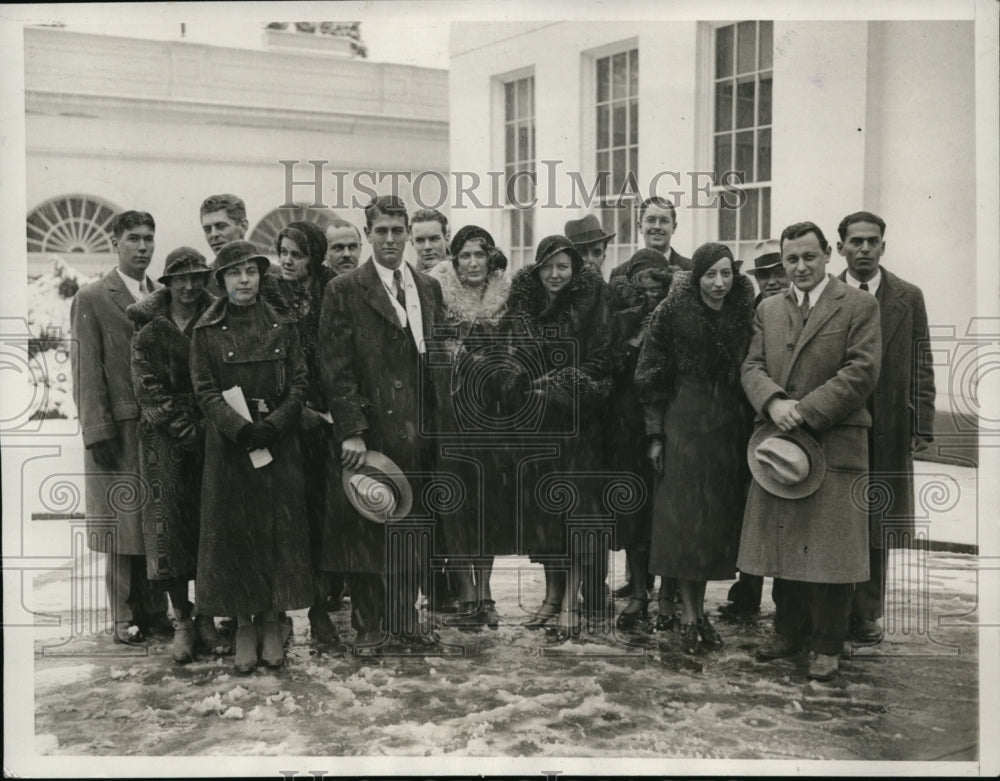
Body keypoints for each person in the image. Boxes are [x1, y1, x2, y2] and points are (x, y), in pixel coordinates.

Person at [739, 221, 881, 681]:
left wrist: (808, 410)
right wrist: (773, 401)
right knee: (784, 542)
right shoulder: (769, 308)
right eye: (791, 259)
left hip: (833, 440)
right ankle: (788, 631)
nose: (799, 267)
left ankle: (826, 644)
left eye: (808, 257)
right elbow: (752, 365)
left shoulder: (859, 305)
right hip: (780, 441)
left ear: (826, 256)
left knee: (830, 552)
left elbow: (862, 371)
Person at [318, 195, 446, 654]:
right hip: (373, 431)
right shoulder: (345, 290)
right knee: (369, 525)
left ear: (408, 233)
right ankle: (369, 623)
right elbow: (335, 368)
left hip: (420, 430)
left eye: (397, 230)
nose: (390, 239)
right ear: (368, 233)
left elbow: (437, 357)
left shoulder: (426, 287)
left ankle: (404, 617)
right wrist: (350, 428)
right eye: (381, 231)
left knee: (413, 525)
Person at [190, 240, 313, 674]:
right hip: (230, 450)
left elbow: (300, 381)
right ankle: (244, 624)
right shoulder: (206, 330)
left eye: (252, 272)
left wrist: (275, 424)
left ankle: (271, 622)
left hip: (278, 445)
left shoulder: (284, 323)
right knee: (238, 533)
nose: (244, 280)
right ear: (221, 281)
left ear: (262, 276)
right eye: (235, 273)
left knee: (276, 534)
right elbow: (203, 389)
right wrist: (240, 428)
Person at [635, 243, 755, 654]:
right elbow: (650, 378)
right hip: (684, 421)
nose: (719, 283)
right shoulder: (671, 312)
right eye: (710, 275)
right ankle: (687, 614)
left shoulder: (744, 312)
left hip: (727, 427)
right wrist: (655, 436)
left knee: (711, 525)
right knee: (684, 522)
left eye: (726, 274)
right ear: (697, 276)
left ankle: (700, 611)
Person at [503, 235, 611, 640]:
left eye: (562, 266)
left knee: (578, 514)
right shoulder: (524, 308)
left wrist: (562, 383)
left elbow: (602, 362)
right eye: (547, 267)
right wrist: (522, 384)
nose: (554, 275)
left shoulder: (592, 305)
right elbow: (510, 357)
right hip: (537, 425)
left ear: (574, 269)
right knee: (546, 514)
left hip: (579, 426)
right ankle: (551, 596)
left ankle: (571, 602)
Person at [836, 211, 935, 646]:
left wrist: (922, 423)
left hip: (891, 424)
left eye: (871, 242)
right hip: (840, 424)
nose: (863, 249)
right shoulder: (828, 292)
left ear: (883, 246)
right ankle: (833, 609)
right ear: (840, 248)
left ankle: (868, 612)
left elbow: (921, 361)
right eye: (854, 242)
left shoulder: (907, 297)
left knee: (879, 519)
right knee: (838, 519)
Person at [70, 210, 168, 646]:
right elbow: (86, 369)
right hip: (119, 429)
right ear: (115, 242)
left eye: (148, 238)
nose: (143, 246)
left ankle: (156, 611)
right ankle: (122, 615)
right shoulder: (92, 297)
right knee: (122, 525)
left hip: (159, 427)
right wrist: (97, 431)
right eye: (133, 239)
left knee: (157, 521)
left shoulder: (162, 295)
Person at [128, 247, 218, 662]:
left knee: (210, 525)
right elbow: (145, 382)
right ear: (166, 283)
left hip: (211, 431)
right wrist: (177, 424)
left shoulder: (218, 317)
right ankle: (181, 617)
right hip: (163, 439)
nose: (189, 286)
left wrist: (203, 424)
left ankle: (207, 616)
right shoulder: (146, 327)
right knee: (169, 528)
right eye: (180, 279)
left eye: (197, 277)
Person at [428, 225, 511, 630]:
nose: (473, 263)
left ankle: (486, 590)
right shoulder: (437, 295)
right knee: (455, 501)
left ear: (490, 257)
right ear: (454, 259)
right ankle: (465, 590)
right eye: (465, 256)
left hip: (492, 414)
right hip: (451, 411)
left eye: (480, 255)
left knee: (486, 503)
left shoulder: (505, 296)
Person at [274, 220, 344, 648]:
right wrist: (295, 411)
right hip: (284, 422)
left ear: (314, 257)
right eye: (282, 250)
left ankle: (320, 610)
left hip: (326, 425)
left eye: (296, 254)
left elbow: (341, 353)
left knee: (320, 520)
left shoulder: (332, 291)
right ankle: (277, 614)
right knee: (282, 522)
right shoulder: (267, 292)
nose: (286, 260)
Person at [721, 238, 790, 620]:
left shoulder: (799, 310)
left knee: (783, 512)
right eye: (765, 275)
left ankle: (785, 599)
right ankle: (747, 590)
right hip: (747, 422)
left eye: (778, 272)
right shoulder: (749, 313)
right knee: (751, 512)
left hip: (787, 420)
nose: (774, 281)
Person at [602, 253, 671, 632]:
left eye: (656, 284)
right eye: (642, 284)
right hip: (627, 426)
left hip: (670, 421)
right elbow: (611, 365)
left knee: (671, 510)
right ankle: (640, 591)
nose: (649, 291)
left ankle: (670, 595)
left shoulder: (677, 316)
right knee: (634, 510)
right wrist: (634, 340)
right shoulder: (622, 319)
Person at [607, 197, 691, 313]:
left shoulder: (689, 269)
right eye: (651, 220)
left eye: (664, 221)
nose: (657, 226)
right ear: (640, 226)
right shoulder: (620, 273)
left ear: (674, 227)